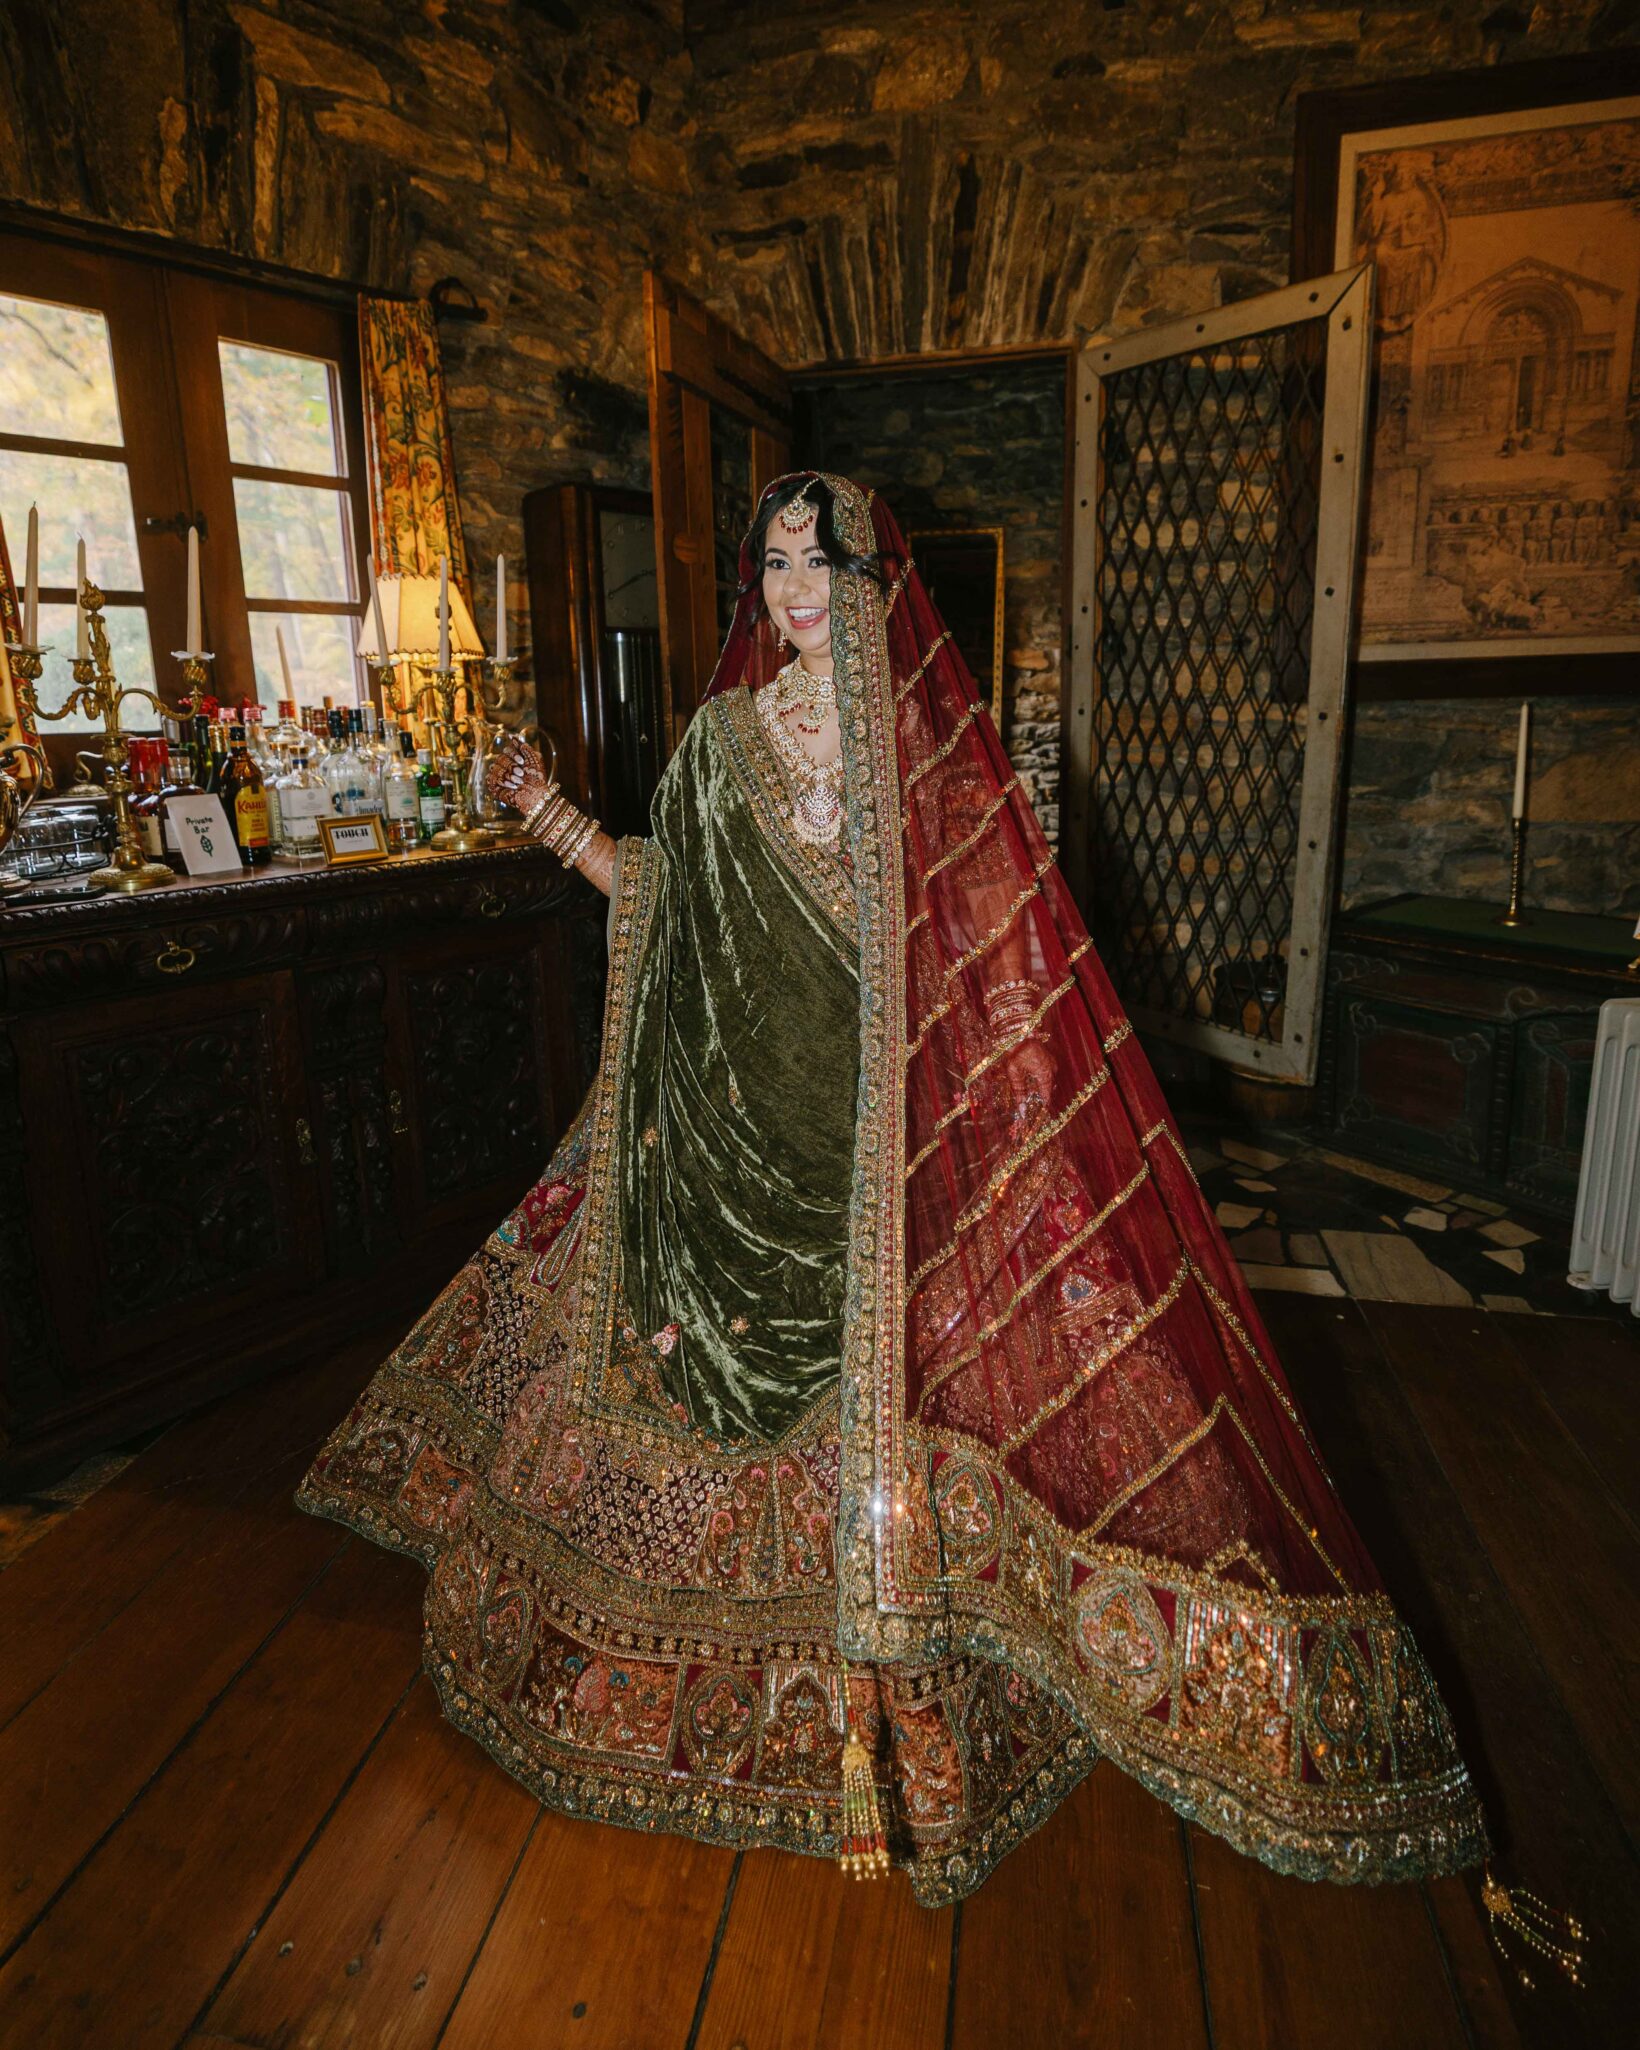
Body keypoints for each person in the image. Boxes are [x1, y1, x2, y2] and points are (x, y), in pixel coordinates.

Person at [298, 473, 1558, 1949]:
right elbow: (656, 900)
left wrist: (1003, 1117)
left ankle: (912, 1670)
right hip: (727, 1152)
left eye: (819, 561)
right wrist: (549, 816)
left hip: (885, 1149)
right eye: (773, 562)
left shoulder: (937, 763)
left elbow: (997, 962)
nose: (792, 587)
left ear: (875, 582)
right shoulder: (718, 742)